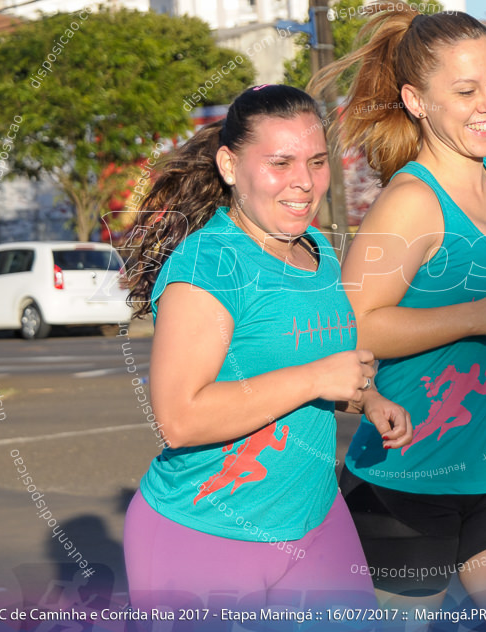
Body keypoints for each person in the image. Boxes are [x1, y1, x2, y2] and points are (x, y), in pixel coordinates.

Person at [309, 6, 486, 624]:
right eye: (465, 90)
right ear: (417, 101)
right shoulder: (409, 202)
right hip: (405, 482)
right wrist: (475, 317)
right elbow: (352, 326)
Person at [122, 84, 412, 613]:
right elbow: (179, 419)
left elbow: (312, 362)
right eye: (281, 162)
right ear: (230, 166)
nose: (304, 182)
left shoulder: (317, 250)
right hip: (205, 532)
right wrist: (317, 380)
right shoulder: (208, 264)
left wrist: (367, 398)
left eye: (317, 161)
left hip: (316, 522)